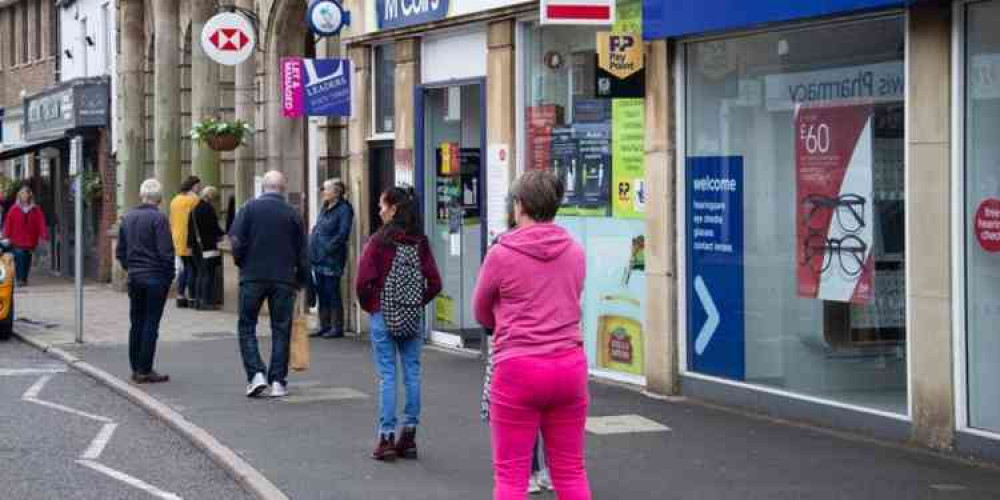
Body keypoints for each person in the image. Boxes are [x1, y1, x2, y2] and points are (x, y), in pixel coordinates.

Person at [472, 170, 591, 499]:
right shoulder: (575, 251)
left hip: (518, 368)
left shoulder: (501, 254)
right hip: (569, 366)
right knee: (570, 470)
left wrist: (498, 322)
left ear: (519, 205)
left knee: (511, 475)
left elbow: (480, 308)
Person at [356, 186, 441, 462]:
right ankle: (410, 435)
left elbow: (362, 282)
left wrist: (374, 307)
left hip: (383, 314)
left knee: (388, 376)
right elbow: (435, 283)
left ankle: (386, 437)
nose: (379, 211)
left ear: (393, 209)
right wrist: (416, 302)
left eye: (382, 206)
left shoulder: (378, 241)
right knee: (412, 373)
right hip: (411, 316)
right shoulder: (420, 241)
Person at [229, 171, 310, 399]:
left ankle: (255, 374)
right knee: (281, 329)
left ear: (263, 188)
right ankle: (277, 381)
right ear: (283, 189)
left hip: (252, 277)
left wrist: (241, 262)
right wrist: (303, 280)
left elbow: (235, 242)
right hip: (284, 279)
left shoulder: (248, 209)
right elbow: (303, 252)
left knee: (247, 327)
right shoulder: (293, 214)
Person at [116, 179, 175, 384]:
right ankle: (145, 369)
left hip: (135, 277)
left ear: (142, 195)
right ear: (159, 198)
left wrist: (130, 268)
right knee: (151, 323)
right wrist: (169, 276)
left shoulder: (128, 218)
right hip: (155, 277)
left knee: (137, 322)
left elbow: (120, 252)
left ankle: (135, 367)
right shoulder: (159, 219)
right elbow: (166, 252)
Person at [309, 179, 354, 338]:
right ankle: (324, 325)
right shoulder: (325, 206)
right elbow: (319, 228)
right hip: (318, 256)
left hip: (332, 258)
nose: (323, 192)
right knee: (321, 292)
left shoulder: (344, 209)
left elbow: (343, 234)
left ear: (336, 192)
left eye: (326, 189)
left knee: (332, 292)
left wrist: (327, 249)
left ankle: (337, 327)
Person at [188, 186, 224, 310]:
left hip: (196, 247)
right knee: (209, 274)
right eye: (215, 199)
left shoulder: (194, 209)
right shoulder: (208, 209)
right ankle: (206, 301)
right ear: (210, 197)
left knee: (200, 273)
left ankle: (198, 300)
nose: (215, 202)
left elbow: (190, 230)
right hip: (208, 246)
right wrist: (223, 234)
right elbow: (214, 227)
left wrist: (190, 245)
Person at [4, 186, 49, 286]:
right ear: (19, 195)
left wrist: (44, 234)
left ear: (29, 195)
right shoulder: (14, 209)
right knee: (19, 257)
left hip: (30, 239)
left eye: (26, 193)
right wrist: (6, 236)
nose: (24, 195)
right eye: (22, 194)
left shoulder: (35, 209)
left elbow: (41, 222)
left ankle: (24, 278)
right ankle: (19, 279)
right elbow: (8, 222)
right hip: (17, 238)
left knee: (27, 258)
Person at [170, 175, 202, 308]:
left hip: (177, 238)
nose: (200, 188)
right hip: (189, 239)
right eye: (198, 185)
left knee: (184, 267)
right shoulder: (194, 200)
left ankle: (180, 295)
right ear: (193, 186)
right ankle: (192, 296)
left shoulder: (175, 200)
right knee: (192, 268)